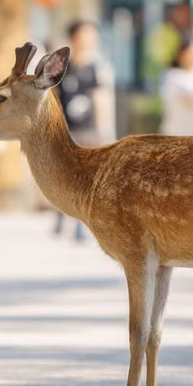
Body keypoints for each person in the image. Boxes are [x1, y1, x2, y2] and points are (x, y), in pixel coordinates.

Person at [53, 20, 115, 241]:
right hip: (66, 130)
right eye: (84, 35)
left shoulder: (97, 68)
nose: (88, 40)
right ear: (74, 38)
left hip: (89, 131)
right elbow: (54, 99)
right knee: (65, 176)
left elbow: (101, 100)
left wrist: (104, 131)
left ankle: (81, 222)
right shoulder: (62, 67)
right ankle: (61, 214)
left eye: (91, 36)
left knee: (87, 178)